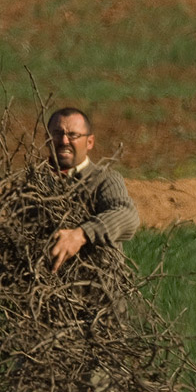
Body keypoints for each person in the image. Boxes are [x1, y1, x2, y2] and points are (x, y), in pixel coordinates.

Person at [47, 107, 139, 272]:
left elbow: (127, 215)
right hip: (41, 291)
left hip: (99, 290)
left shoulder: (104, 180)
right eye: (57, 133)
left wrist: (81, 235)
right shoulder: (33, 183)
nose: (64, 141)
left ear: (90, 142)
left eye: (73, 135)